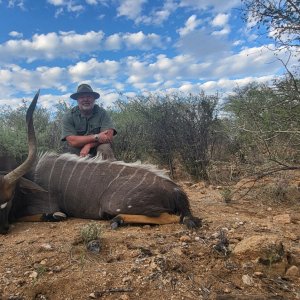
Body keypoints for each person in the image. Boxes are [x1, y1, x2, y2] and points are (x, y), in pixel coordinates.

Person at [61, 83, 117, 159]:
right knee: (69, 151)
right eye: (82, 97)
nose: (85, 99)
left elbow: (108, 136)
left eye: (89, 96)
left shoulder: (102, 113)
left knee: (105, 148)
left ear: (94, 99)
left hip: (97, 146)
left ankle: (110, 170)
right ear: (77, 100)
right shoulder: (69, 116)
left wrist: (89, 145)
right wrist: (96, 136)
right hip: (78, 148)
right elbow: (72, 141)